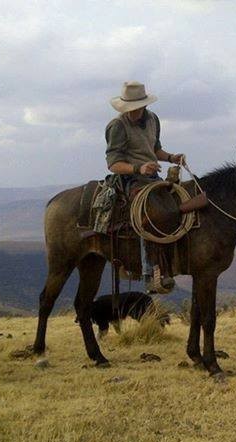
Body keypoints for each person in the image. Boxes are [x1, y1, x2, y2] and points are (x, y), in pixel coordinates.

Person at [105, 81, 184, 294]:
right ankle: (150, 272)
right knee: (148, 214)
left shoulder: (153, 120)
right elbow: (113, 164)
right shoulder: (117, 126)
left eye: (136, 107)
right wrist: (139, 168)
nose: (133, 112)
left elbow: (155, 149)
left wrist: (171, 157)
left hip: (152, 177)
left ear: (143, 105)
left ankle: (174, 264)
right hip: (130, 179)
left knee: (180, 205)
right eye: (129, 108)